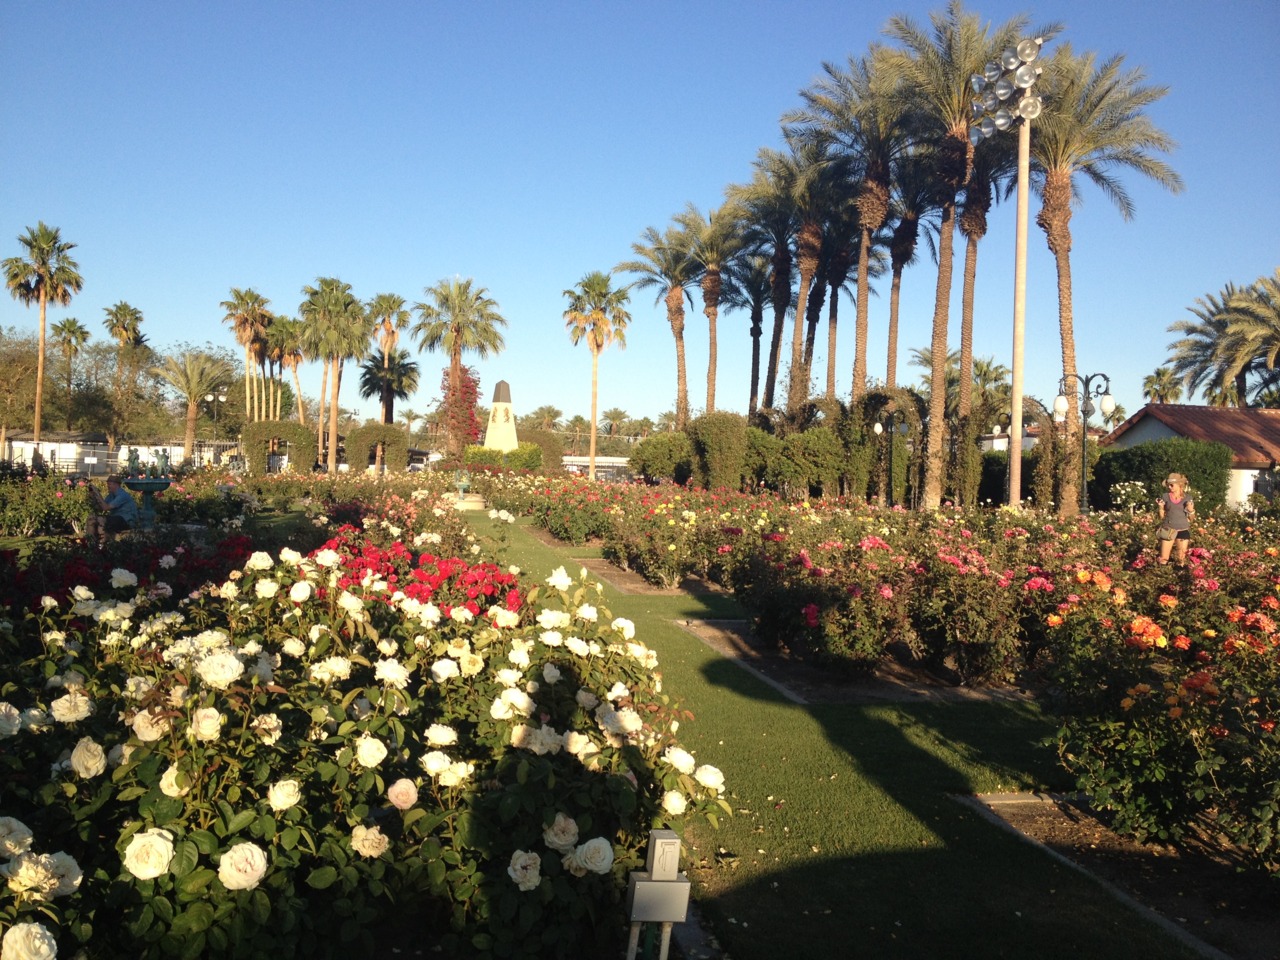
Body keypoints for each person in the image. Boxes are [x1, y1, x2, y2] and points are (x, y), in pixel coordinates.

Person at [84, 474, 140, 547]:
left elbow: (105, 507)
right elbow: (100, 508)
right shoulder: (111, 495)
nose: (108, 486)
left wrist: (98, 493)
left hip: (127, 520)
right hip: (116, 518)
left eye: (109, 484)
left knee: (101, 519)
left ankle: (102, 545)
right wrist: (94, 498)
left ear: (116, 485)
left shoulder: (122, 495)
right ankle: (90, 544)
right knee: (91, 519)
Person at [1156, 472, 1194, 566]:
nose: (1169, 487)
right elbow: (1161, 516)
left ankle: (1179, 577)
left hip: (1183, 530)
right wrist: (1160, 507)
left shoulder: (1188, 498)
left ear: (1179, 485)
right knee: (1164, 558)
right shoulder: (1165, 496)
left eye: (1172, 485)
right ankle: (1160, 576)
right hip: (1168, 529)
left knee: (1181, 559)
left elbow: (1191, 518)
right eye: (1168, 485)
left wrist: (1191, 510)